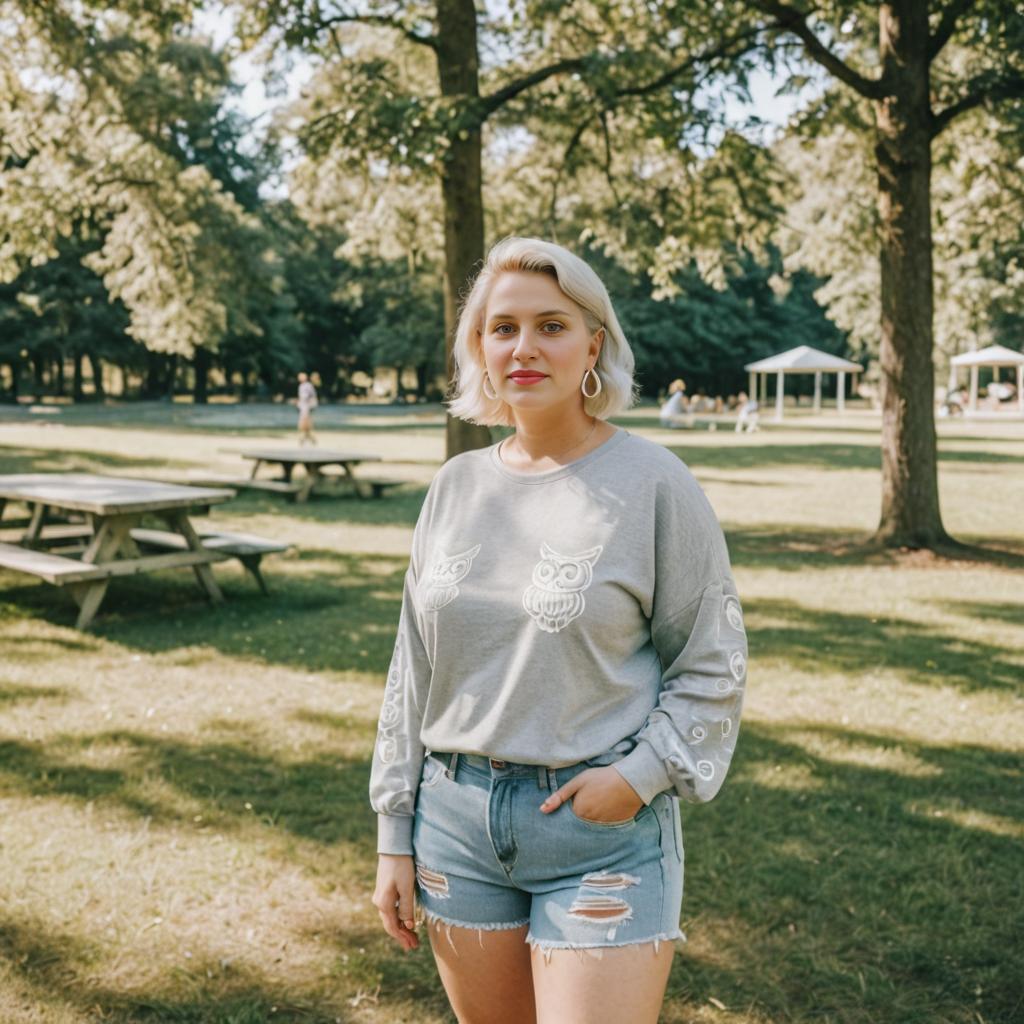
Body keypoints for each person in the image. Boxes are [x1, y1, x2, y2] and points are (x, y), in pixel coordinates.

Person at [369, 237, 748, 1024]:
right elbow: (413, 670)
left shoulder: (653, 483)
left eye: (551, 325)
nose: (524, 347)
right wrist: (392, 834)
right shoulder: (455, 485)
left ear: (593, 346)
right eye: (502, 328)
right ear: (479, 349)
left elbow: (713, 663)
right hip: (455, 831)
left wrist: (638, 779)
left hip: (599, 835)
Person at [296, 372, 318, 445]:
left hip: (306, 407)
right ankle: (309, 438)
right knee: (306, 424)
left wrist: (310, 405)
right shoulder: (302, 386)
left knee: (304, 423)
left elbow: (309, 397)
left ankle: (304, 438)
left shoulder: (307, 386)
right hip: (303, 407)